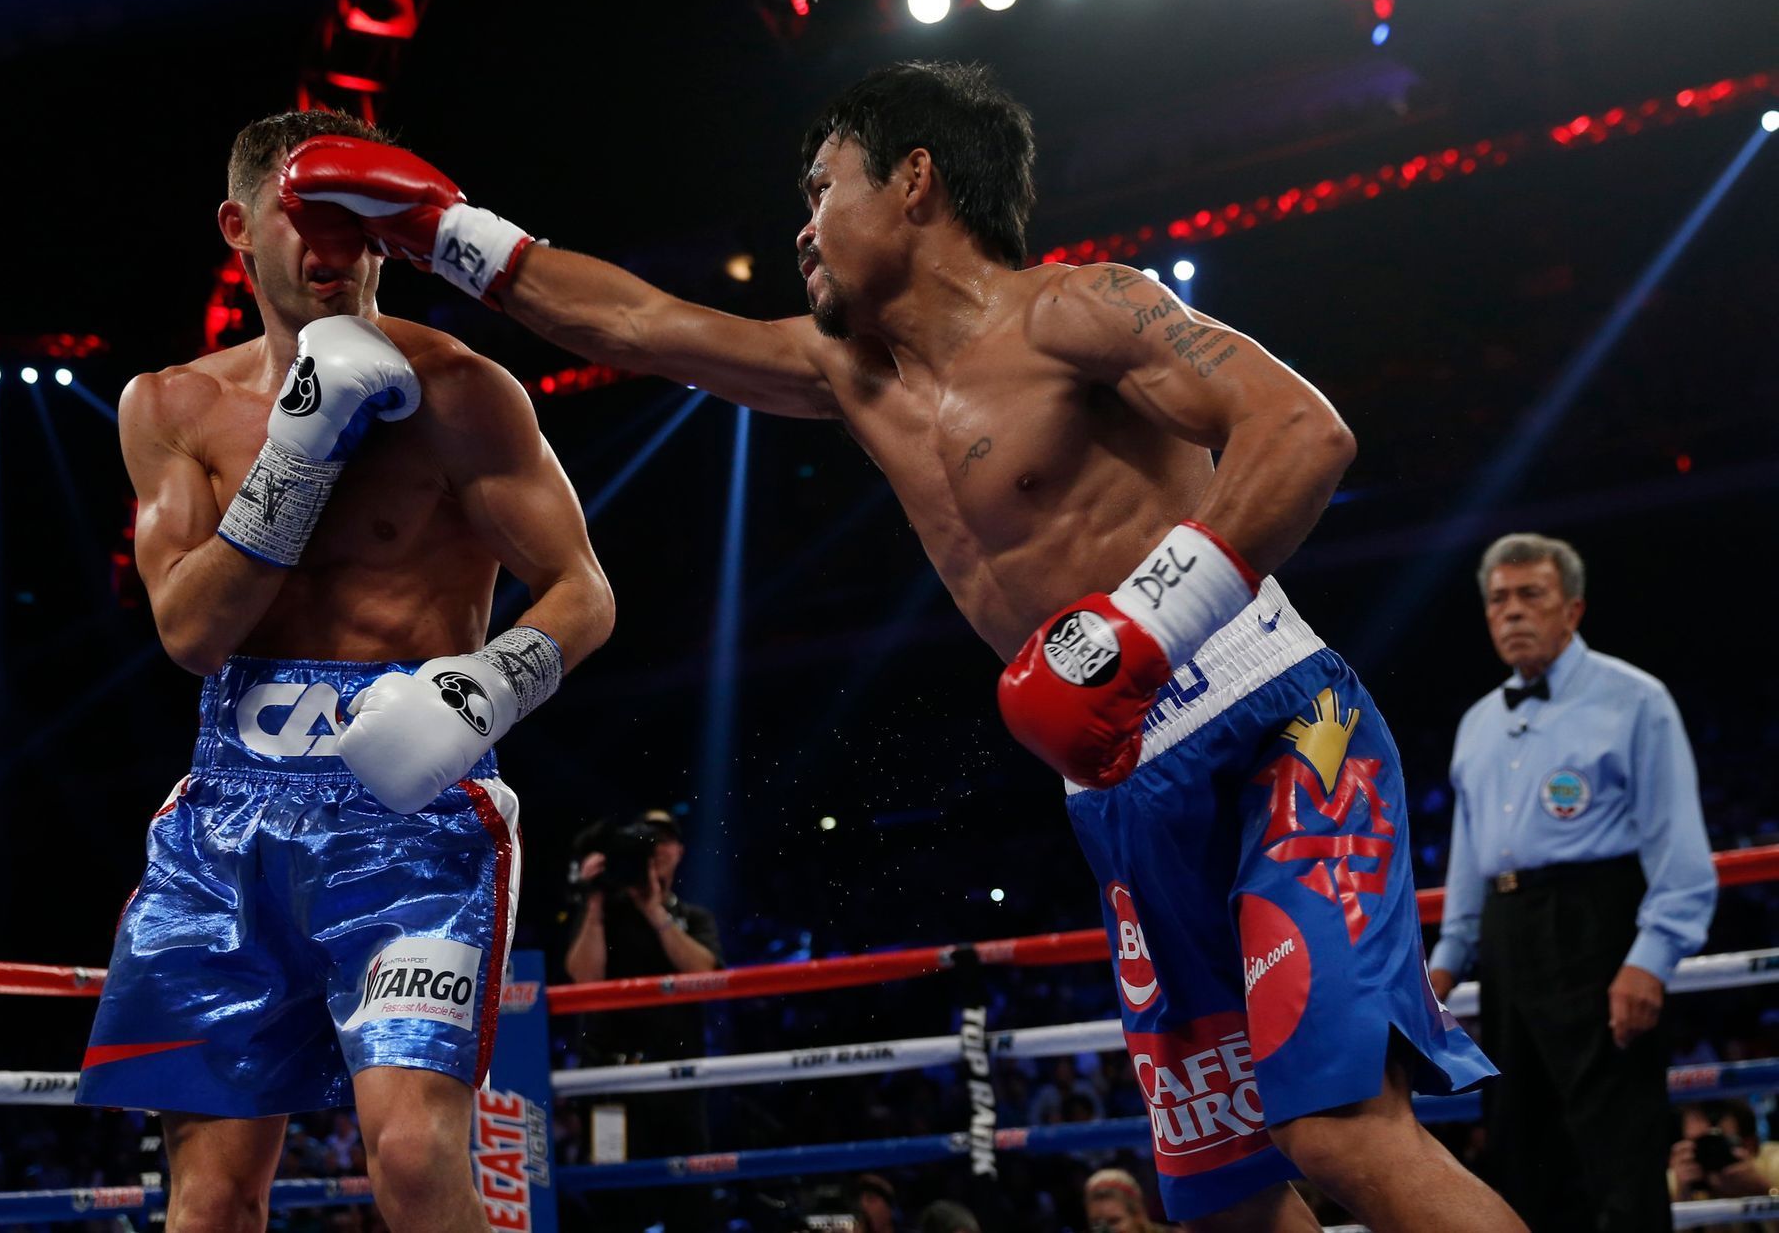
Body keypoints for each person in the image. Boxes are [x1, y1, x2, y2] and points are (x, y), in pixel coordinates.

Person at [278, 60, 1521, 1230]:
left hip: (1273, 729)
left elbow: (1301, 435)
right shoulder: (845, 372)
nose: (806, 224)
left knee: (1341, 1137)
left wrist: (1139, 626)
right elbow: (639, 323)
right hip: (1119, 787)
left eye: (824, 188)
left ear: (914, 180)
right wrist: (435, 225)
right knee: (1222, 1197)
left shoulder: (1081, 309)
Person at [74, 108, 614, 1233]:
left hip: (407, 816)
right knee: (211, 1198)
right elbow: (190, 633)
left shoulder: (466, 391)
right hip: (226, 814)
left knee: (414, 1158)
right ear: (239, 227)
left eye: (359, 222)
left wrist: (481, 690)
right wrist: (298, 448)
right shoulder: (169, 405)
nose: (333, 250)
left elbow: (581, 591)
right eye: (303, 219)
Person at [1428, 532, 1717, 1233]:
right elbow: (1472, 860)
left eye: (1532, 595)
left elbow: (1678, 845)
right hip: (1505, 942)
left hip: (1597, 927)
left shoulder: (1635, 700)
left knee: (1617, 1146)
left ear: (1573, 609)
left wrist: (1650, 959)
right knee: (1521, 1144)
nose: (1513, 613)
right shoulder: (1476, 724)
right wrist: (1444, 962)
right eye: (1499, 600)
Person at [562, 810, 722, 1230]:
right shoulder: (603, 914)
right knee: (615, 1206)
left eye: (663, 840)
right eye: (645, 841)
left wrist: (654, 909)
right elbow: (584, 978)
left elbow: (706, 976)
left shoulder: (693, 917)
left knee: (689, 1203)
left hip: (676, 1078)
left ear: (679, 853)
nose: (654, 849)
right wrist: (593, 901)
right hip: (611, 1081)